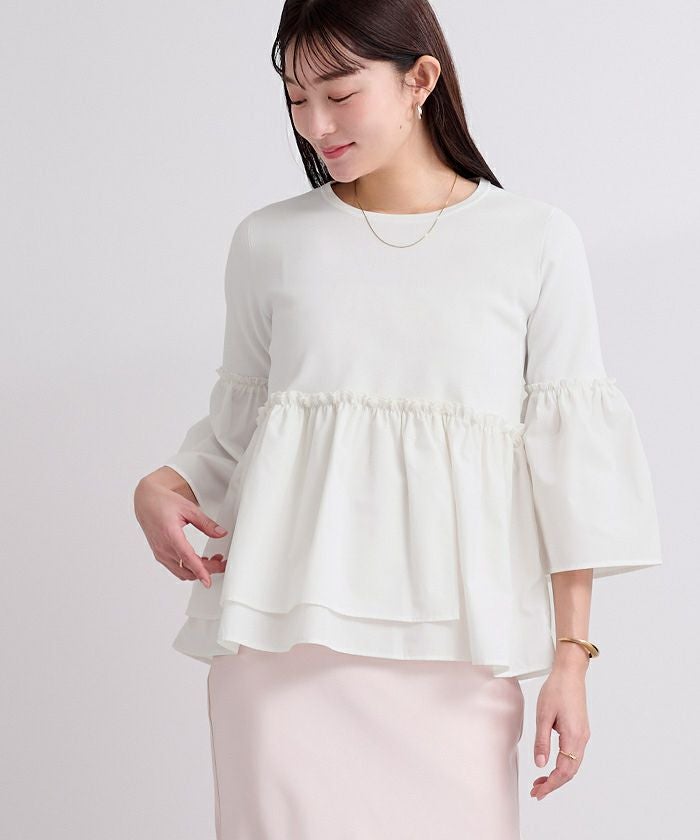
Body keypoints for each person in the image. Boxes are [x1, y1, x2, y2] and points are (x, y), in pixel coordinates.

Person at [133, 2, 663, 837]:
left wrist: (573, 658)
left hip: (459, 656)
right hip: (282, 658)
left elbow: (568, 465)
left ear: (420, 79)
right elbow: (237, 433)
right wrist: (160, 487)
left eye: (340, 94)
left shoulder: (534, 241)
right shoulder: (270, 242)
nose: (315, 125)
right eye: (296, 98)